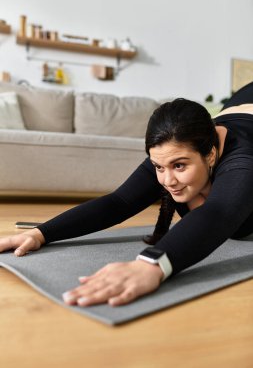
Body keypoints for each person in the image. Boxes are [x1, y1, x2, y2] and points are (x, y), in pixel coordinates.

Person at [1, 82, 253, 308]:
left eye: (179, 166)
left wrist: (151, 264)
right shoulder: (178, 146)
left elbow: (219, 212)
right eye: (159, 167)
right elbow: (119, 202)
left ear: (210, 155)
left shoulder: (243, 161)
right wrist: (41, 233)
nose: (167, 181)